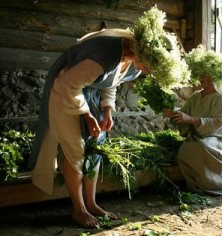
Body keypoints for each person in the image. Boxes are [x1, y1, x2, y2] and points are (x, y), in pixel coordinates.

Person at [27, 6, 189, 228]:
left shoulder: (135, 63)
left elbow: (111, 82)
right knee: (76, 150)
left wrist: (107, 110)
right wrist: (88, 117)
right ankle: (79, 209)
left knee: (96, 147)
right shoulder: (104, 55)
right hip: (65, 93)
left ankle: (92, 203)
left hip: (88, 92)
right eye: (152, 68)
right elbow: (68, 86)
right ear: (143, 51)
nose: (149, 73)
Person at [163, 46, 222, 196]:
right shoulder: (195, 96)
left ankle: (219, 184)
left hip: (220, 137)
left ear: (216, 76)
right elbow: (184, 114)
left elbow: (218, 122)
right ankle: (196, 185)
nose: (202, 79)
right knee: (186, 149)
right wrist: (174, 114)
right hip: (199, 136)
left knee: (201, 146)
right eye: (200, 75)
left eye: (206, 76)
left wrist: (190, 119)